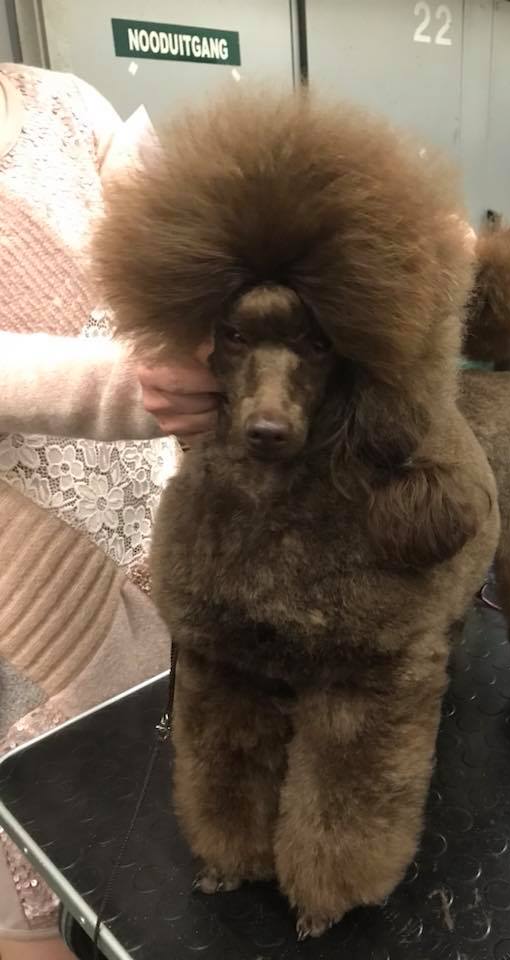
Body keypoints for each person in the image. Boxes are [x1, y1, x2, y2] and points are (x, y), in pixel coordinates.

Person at [0, 61, 219, 960]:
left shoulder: (67, 107)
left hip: (161, 530)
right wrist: (140, 386)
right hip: (26, 582)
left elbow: (183, 248)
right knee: (47, 866)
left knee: (181, 830)